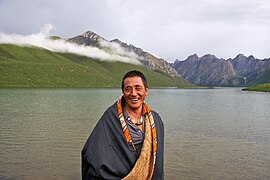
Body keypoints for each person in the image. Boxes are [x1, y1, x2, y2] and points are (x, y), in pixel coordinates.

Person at [81, 70, 164, 180]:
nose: (133, 93)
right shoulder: (111, 117)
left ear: (146, 91)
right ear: (123, 92)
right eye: (128, 89)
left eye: (138, 88)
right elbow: (91, 152)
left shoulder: (155, 119)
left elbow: (157, 160)